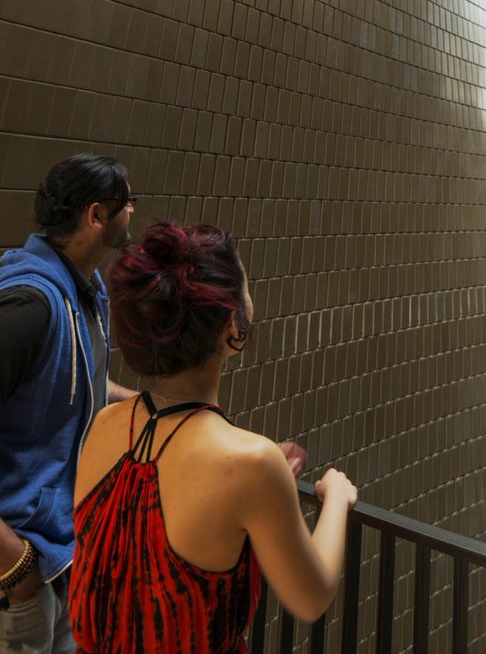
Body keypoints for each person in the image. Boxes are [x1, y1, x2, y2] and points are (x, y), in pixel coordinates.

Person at [68, 221, 357, 654]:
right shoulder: (253, 463)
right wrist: (337, 497)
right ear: (231, 326)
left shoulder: (107, 424)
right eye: (244, 290)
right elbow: (311, 596)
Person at [0, 153, 137, 654]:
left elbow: (72, 383)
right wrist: (14, 568)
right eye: (127, 204)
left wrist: (142, 405)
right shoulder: (27, 306)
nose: (132, 214)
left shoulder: (83, 290)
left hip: (58, 558)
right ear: (96, 216)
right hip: (18, 570)